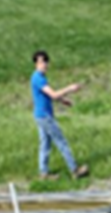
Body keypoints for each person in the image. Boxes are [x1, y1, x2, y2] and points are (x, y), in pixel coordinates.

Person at [31, 50, 89, 180]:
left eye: (45, 61)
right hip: (45, 117)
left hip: (40, 115)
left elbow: (48, 95)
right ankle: (75, 170)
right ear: (35, 64)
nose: (44, 64)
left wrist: (63, 101)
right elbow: (53, 94)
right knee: (61, 141)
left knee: (45, 144)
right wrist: (70, 88)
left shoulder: (39, 78)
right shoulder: (38, 78)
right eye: (40, 62)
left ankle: (43, 173)